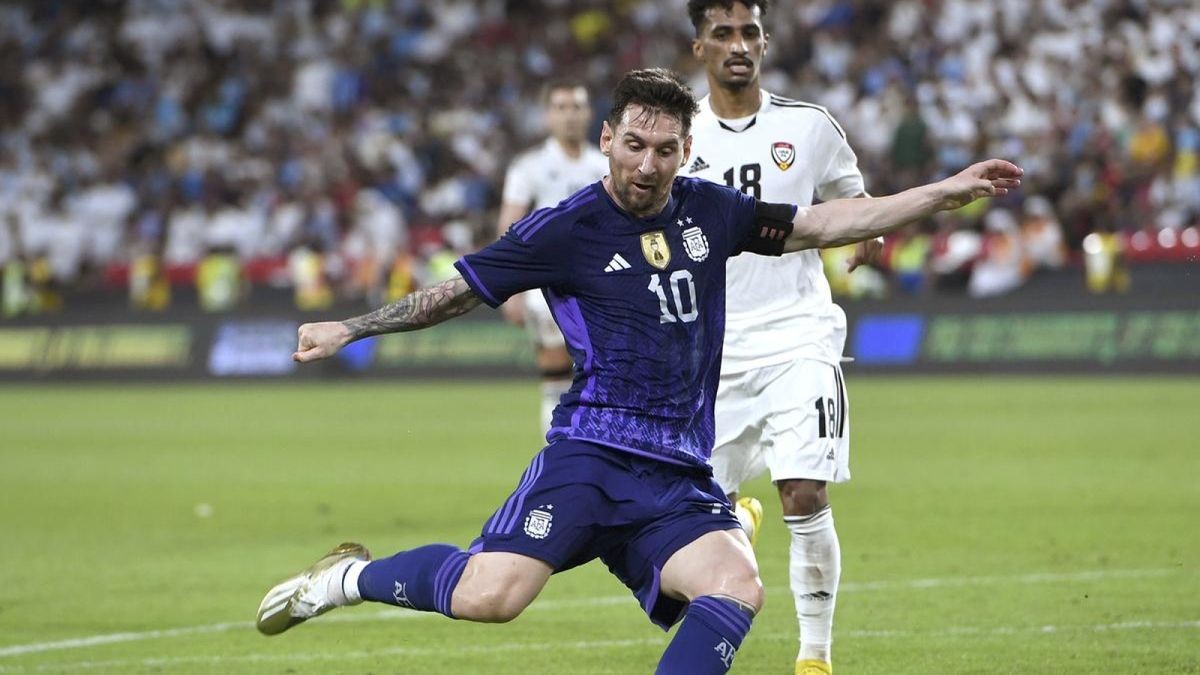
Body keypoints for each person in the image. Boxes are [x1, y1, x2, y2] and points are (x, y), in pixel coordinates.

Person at [255, 68, 1020, 674]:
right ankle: (344, 579)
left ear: (686, 150)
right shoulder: (564, 229)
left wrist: (942, 194)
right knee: (492, 596)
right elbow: (453, 293)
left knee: (736, 585)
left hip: (676, 471)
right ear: (606, 139)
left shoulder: (712, 210)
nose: (647, 165)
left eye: (664, 149)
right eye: (633, 145)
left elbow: (823, 222)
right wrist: (349, 327)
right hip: (591, 456)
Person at [684, 2, 877, 672]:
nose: (738, 45)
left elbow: (851, 195)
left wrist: (868, 229)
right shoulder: (676, 134)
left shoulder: (809, 126)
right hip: (710, 352)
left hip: (799, 335)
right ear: (700, 47)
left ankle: (814, 656)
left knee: (804, 491)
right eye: (723, 34)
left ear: (765, 42)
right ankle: (737, 519)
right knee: (690, 534)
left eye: (749, 33)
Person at [496, 79, 609, 432]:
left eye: (576, 107)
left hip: (600, 281)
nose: (569, 116)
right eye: (561, 108)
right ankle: (558, 443)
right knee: (556, 370)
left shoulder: (604, 165)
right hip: (547, 283)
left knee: (598, 374)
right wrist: (509, 289)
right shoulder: (529, 167)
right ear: (547, 115)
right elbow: (509, 227)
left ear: (589, 113)